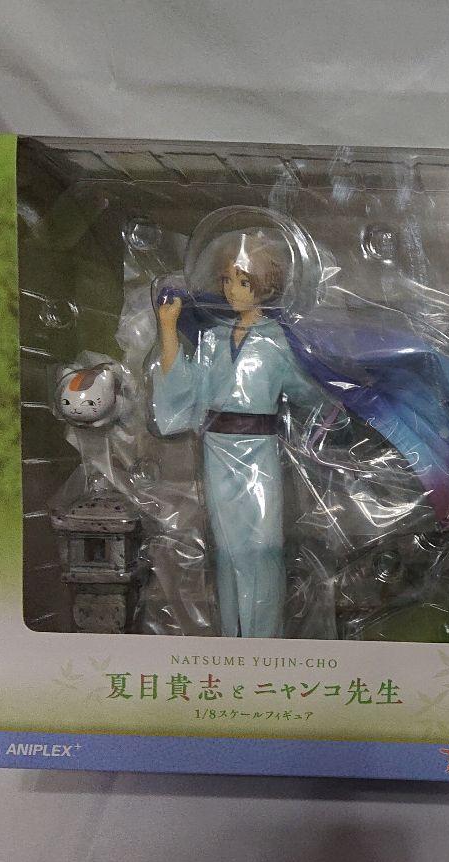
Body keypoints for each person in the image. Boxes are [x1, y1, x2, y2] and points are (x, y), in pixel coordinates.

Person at [152, 233, 330, 638]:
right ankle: (233, 639)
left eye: (243, 281)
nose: (232, 290)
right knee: (229, 552)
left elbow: (309, 391)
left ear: (264, 286)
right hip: (217, 449)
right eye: (228, 280)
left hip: (261, 450)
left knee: (264, 547)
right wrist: (168, 327)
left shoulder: (278, 340)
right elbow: (184, 389)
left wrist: (340, 405)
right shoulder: (213, 338)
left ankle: (264, 639)